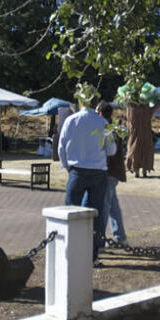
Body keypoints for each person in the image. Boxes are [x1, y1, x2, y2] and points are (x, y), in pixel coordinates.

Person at [58, 93, 116, 263]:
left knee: (70, 211)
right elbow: (111, 149)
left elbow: (61, 146)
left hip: (77, 169)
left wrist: (67, 166)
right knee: (96, 214)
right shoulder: (103, 122)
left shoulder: (71, 120)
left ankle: (70, 252)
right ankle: (92, 255)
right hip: (98, 171)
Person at [95, 101, 128, 250]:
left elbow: (109, 152)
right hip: (113, 171)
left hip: (109, 171)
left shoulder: (107, 129)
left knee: (105, 207)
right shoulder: (113, 128)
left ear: (101, 113)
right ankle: (120, 236)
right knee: (113, 206)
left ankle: (100, 241)